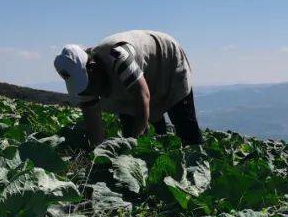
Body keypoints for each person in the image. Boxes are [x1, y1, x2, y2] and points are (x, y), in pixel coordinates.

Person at [53, 30, 203, 147]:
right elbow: (93, 124)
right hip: (137, 78)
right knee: (129, 127)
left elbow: (142, 95)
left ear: (93, 67)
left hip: (167, 59)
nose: (90, 90)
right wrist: (97, 154)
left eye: (89, 83)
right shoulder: (85, 84)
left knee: (184, 124)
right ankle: (159, 140)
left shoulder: (118, 55)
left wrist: (136, 143)